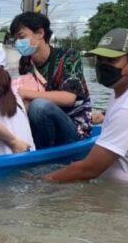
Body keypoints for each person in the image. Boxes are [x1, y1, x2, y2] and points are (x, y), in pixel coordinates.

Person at [44, 28, 128, 187]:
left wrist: (42, 182)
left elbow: (89, 169)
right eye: (100, 60)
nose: (103, 66)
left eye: (111, 60)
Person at [10, 12, 92, 149]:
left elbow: (68, 98)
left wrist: (24, 93)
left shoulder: (69, 57)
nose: (18, 43)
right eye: (15, 39)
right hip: (40, 127)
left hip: (74, 128)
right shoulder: (25, 63)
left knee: (39, 106)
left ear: (40, 33)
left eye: (21, 37)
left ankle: (42, 155)